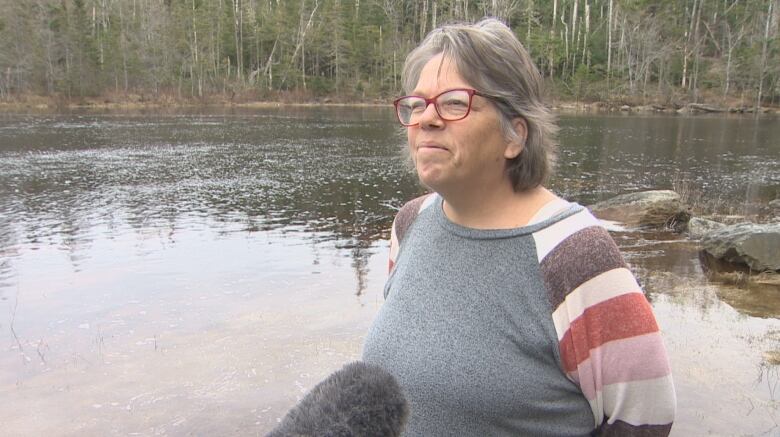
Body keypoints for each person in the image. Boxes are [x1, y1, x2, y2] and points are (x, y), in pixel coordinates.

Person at [361, 18, 676, 436]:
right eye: (417, 104)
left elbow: (646, 418)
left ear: (515, 135)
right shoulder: (410, 224)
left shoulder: (576, 256)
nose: (427, 119)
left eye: (454, 102)